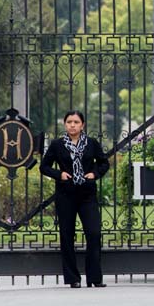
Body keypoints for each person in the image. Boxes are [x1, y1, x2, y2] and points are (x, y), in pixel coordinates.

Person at [40, 110, 109, 289]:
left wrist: (94, 173)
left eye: (76, 122)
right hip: (66, 195)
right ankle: (73, 278)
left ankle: (94, 277)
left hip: (87, 195)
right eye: (69, 121)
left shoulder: (92, 144)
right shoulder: (57, 144)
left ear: (82, 125)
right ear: (65, 124)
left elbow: (104, 163)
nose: (72, 125)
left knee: (94, 234)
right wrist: (59, 174)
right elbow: (44, 166)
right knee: (67, 235)